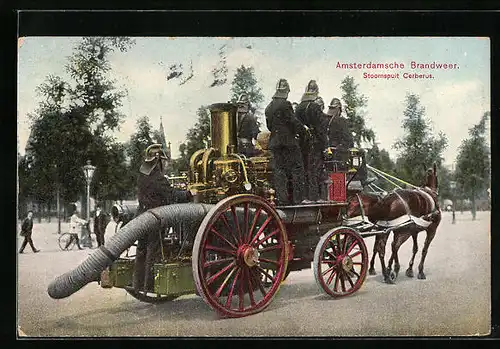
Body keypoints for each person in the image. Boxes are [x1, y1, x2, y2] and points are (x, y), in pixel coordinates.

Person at [132, 144, 193, 293]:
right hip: (155, 217)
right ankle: (151, 285)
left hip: (142, 215)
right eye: (162, 161)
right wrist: (188, 193)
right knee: (154, 249)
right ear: (157, 160)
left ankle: (138, 283)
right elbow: (171, 195)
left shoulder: (143, 174)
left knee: (142, 249)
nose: (164, 164)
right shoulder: (157, 178)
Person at [265, 78, 308, 205]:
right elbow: (293, 121)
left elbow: (269, 126)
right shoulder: (286, 104)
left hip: (274, 143)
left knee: (279, 171)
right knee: (297, 168)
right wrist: (304, 130)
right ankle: (298, 199)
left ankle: (282, 199)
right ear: (286, 91)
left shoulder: (269, 107)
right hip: (288, 143)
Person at [294, 80, 326, 202]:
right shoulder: (315, 107)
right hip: (315, 143)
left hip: (302, 142)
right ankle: (314, 197)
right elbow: (321, 129)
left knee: (304, 169)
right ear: (316, 91)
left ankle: (303, 197)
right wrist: (325, 146)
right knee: (314, 170)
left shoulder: (299, 108)